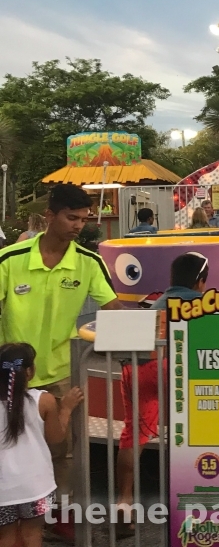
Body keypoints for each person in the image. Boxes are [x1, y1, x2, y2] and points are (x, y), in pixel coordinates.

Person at [0, 183, 121, 530]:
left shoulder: (89, 262)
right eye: (71, 217)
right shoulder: (10, 259)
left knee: (63, 448)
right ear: (49, 217)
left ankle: (59, 516)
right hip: (11, 370)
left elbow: (113, 307)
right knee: (7, 443)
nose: (78, 226)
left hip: (62, 371)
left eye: (83, 219)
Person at [114, 253, 219, 530]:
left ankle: (124, 505)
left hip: (139, 368)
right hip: (176, 369)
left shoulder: (157, 301)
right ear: (201, 282)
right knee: (199, 432)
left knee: (133, 434)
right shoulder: (203, 303)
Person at [0, 343, 84, 547]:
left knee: (5, 538)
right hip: (36, 487)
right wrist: (65, 408)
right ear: (29, 371)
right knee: (32, 534)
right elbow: (56, 438)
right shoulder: (43, 401)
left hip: (3, 489)